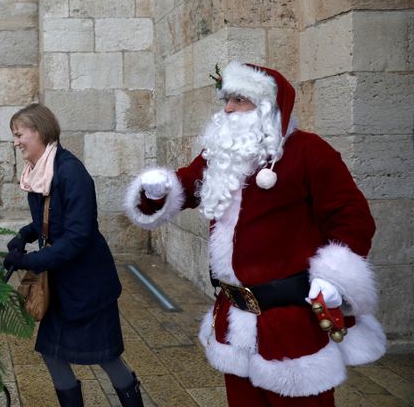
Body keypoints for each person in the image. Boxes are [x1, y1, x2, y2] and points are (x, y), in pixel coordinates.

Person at [123, 61, 386, 406]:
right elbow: (185, 185)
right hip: (235, 321)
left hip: (291, 324)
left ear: (267, 106)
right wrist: (156, 190)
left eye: (239, 99)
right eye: (226, 99)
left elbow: (353, 218)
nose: (228, 108)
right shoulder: (220, 154)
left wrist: (334, 278)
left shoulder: (310, 152)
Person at [3, 103, 144, 407]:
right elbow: (53, 218)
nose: (15, 142)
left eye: (19, 134)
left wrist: (28, 262)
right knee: (52, 353)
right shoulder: (41, 171)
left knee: (107, 358)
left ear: (39, 131)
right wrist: (25, 234)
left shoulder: (71, 172)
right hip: (62, 282)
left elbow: (78, 236)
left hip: (87, 286)